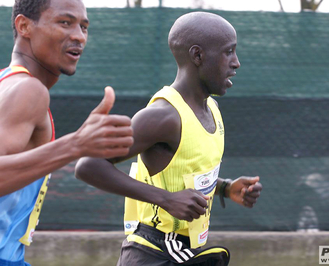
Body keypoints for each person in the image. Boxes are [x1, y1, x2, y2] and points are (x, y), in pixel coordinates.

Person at [76, 11, 262, 266]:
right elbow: (88, 164)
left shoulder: (212, 109)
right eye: (228, 52)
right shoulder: (163, 116)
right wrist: (165, 199)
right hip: (154, 251)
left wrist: (226, 188)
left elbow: (183, 174)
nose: (236, 62)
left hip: (179, 249)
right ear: (197, 55)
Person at [0, 0, 134, 265]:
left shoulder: (8, 82)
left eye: (84, 26)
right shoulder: (29, 90)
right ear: (24, 26)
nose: (79, 35)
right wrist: (75, 145)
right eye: (65, 22)